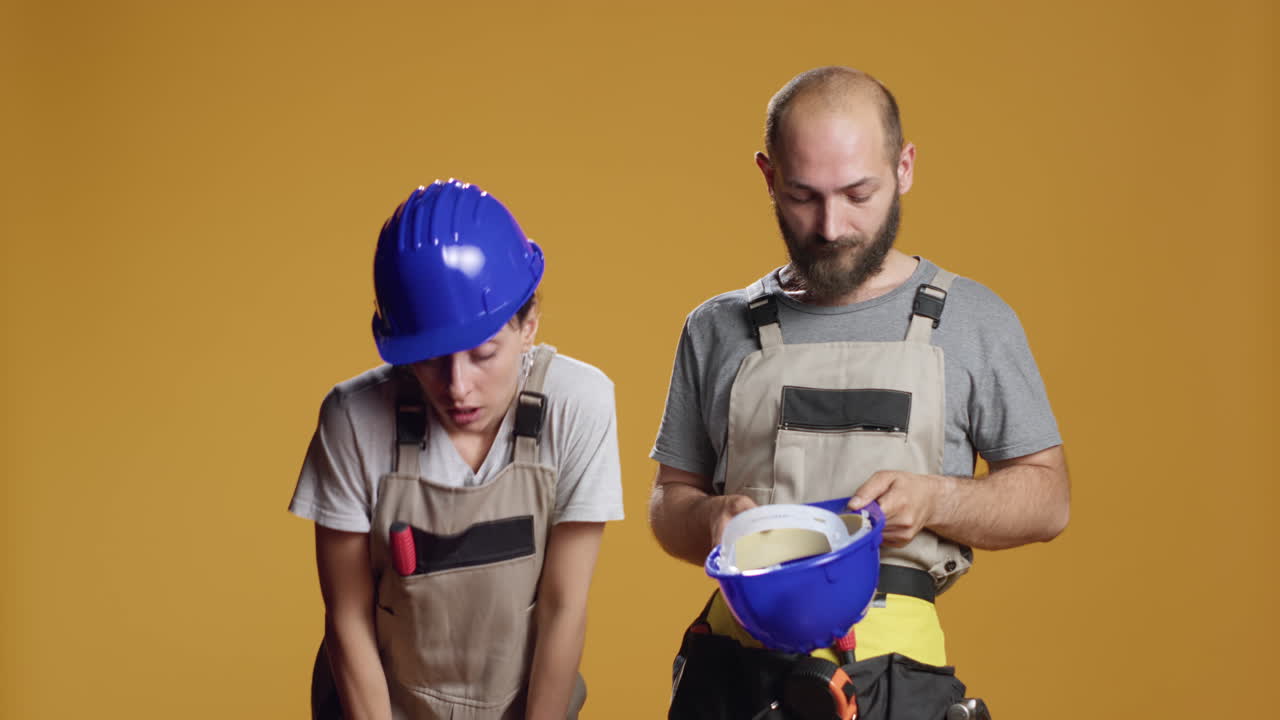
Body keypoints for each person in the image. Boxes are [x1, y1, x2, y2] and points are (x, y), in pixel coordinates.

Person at [649, 67, 1070, 719]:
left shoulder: (971, 319)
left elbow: (1048, 501)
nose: (831, 224)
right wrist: (708, 519)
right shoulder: (716, 327)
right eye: (803, 196)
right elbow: (668, 501)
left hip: (895, 681)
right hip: (732, 677)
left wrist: (935, 497)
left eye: (857, 193)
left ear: (904, 168)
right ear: (767, 177)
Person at [289, 179, 624, 720]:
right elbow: (348, 618)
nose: (457, 386)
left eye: (483, 354)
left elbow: (564, 608)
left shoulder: (577, 404)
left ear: (528, 325)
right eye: (429, 358)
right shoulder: (352, 420)